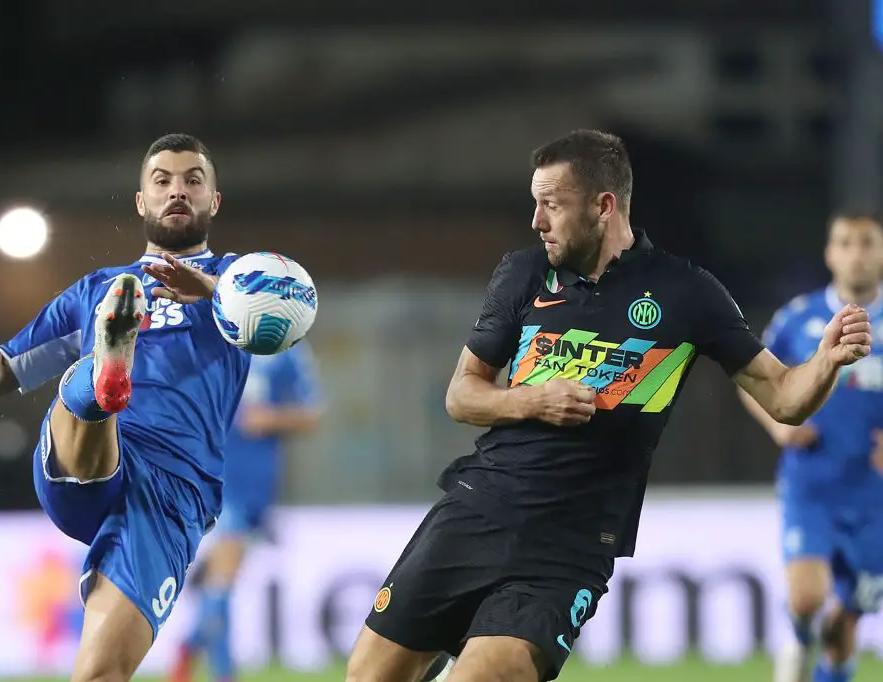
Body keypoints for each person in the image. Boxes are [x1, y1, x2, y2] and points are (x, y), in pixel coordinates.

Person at [343, 129, 873, 682]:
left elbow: (785, 397)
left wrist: (826, 362)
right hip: (477, 510)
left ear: (603, 206)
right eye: (535, 204)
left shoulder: (686, 292)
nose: (537, 221)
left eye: (551, 205)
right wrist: (533, 400)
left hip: (569, 545)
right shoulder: (523, 274)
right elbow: (463, 393)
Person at [0, 133, 254, 682]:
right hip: (85, 461)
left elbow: (292, 317)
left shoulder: (240, 284)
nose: (177, 191)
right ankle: (103, 379)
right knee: (85, 395)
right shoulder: (96, 288)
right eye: (162, 181)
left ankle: (104, 374)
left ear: (215, 201)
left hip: (171, 496)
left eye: (192, 181)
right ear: (141, 201)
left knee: (99, 674)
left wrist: (206, 288)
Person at [739, 214, 883, 682]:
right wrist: (779, 428)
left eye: (867, 243)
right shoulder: (798, 317)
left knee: (843, 629)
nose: (856, 253)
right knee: (806, 599)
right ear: (830, 254)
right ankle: (800, 639)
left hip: (874, 495)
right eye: (846, 243)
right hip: (812, 482)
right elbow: (751, 380)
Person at [170, 342, 323, 682]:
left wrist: (273, 417)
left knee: (221, 579)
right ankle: (222, 672)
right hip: (220, 479)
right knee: (223, 576)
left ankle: (190, 646)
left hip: (260, 484)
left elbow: (312, 413)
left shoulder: (288, 350)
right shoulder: (209, 341)